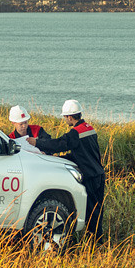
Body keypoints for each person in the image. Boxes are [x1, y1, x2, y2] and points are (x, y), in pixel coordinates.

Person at [37, 99, 106, 238]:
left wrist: (37, 142)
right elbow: (80, 154)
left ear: (69, 116)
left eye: (65, 117)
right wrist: (58, 158)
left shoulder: (75, 133)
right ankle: (98, 238)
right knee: (98, 209)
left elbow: (59, 144)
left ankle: (95, 241)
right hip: (99, 173)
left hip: (90, 176)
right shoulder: (89, 128)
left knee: (91, 210)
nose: (64, 120)